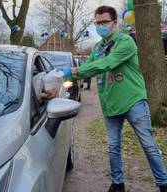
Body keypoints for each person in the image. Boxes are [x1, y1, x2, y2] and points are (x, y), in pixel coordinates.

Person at [61, 5, 167, 192]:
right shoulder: (97, 48)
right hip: (110, 103)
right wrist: (62, 76)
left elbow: (106, 64)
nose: (100, 25)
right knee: (113, 147)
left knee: (148, 145)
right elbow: (90, 67)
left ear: (115, 23)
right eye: (98, 22)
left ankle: (164, 183)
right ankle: (118, 185)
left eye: (104, 22)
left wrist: (74, 70)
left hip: (133, 100)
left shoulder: (126, 42)